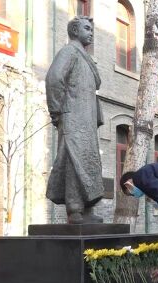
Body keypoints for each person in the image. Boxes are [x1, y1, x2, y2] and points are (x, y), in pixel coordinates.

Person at [45, 16, 104, 224]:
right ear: (74, 30)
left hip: (86, 121)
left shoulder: (84, 56)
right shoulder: (69, 52)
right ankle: (75, 209)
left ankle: (87, 209)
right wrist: (57, 112)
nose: (91, 33)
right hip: (72, 117)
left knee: (88, 162)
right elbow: (54, 79)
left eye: (91, 29)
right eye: (87, 28)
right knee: (73, 161)